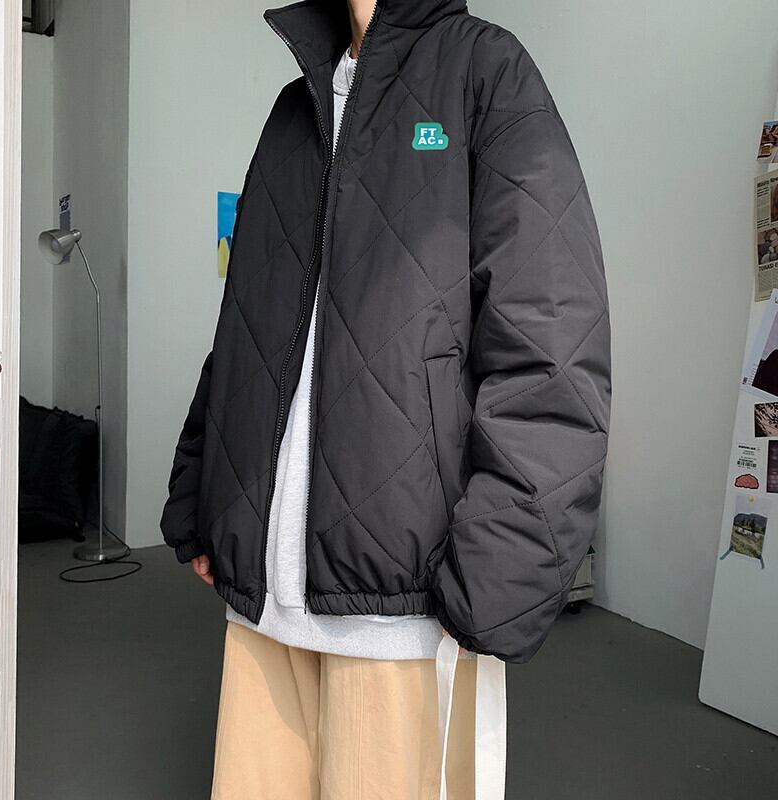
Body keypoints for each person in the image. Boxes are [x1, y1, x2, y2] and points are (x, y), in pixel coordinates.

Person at [160, 0, 611, 797]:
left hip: (402, 611)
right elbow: (246, 328)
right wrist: (204, 502)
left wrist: (496, 575)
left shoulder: (485, 73)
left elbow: (551, 347)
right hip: (265, 605)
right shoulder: (295, 107)